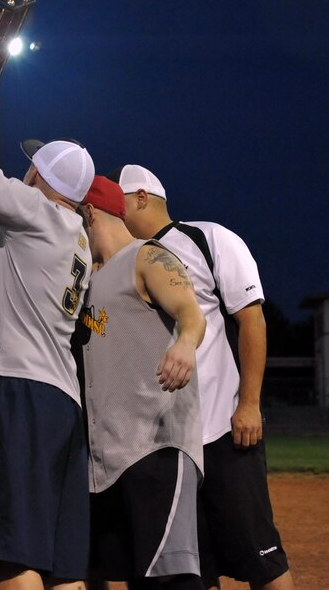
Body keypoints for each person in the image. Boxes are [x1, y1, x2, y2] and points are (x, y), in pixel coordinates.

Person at [0, 56, 94, 589]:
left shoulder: (37, 211)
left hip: (14, 395)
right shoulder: (78, 238)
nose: (26, 171)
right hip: (61, 403)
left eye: (33, 168)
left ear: (40, 179)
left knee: (14, 556)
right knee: (63, 568)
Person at [112, 164, 295, 590]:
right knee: (196, 565)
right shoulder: (123, 262)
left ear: (141, 198)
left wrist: (249, 403)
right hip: (167, 446)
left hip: (222, 433)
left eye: (118, 202)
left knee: (260, 557)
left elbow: (252, 321)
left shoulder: (209, 239)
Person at [76, 176, 206, 590]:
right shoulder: (86, 281)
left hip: (158, 445)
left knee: (169, 581)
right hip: (107, 458)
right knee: (135, 577)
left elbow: (191, 311)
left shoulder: (147, 256)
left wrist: (186, 344)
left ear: (90, 213)